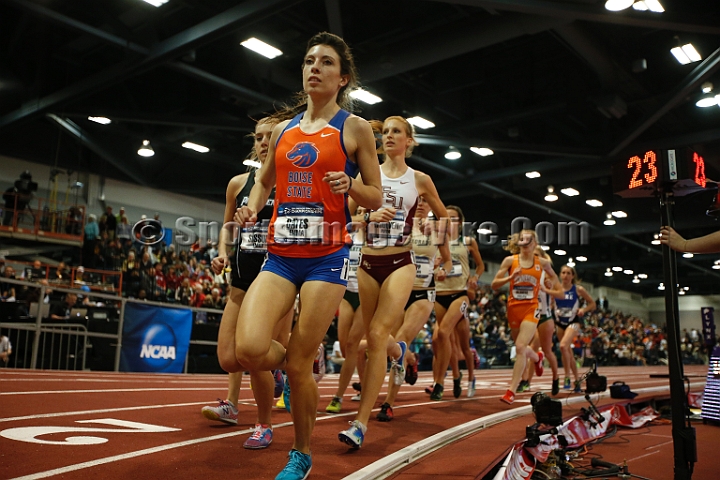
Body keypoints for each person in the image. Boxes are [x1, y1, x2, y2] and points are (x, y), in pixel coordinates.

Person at [224, 32, 383, 480]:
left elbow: (374, 194)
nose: (315, 67)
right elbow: (263, 183)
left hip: (328, 258)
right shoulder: (281, 131)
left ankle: (301, 453)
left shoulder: (354, 128)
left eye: (326, 62)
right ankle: (300, 361)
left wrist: (350, 185)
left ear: (342, 77)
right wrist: (253, 205)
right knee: (249, 348)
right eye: (310, 61)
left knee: (296, 365)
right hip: (280, 255)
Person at [338, 115, 451, 449]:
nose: (388, 136)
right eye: (385, 132)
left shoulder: (420, 180)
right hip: (369, 262)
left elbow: (446, 217)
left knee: (374, 338)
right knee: (374, 336)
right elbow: (344, 216)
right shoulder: (367, 174)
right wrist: (367, 216)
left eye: (395, 132)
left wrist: (434, 227)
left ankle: (360, 423)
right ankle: (398, 349)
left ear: (408, 141)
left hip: (402, 262)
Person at [204, 117, 292, 450]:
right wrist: (222, 253)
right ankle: (292, 359)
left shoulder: (291, 181)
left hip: (276, 279)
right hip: (240, 280)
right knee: (229, 357)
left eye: (271, 136)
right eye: (259, 137)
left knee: (254, 354)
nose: (264, 142)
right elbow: (228, 226)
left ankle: (263, 423)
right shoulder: (238, 184)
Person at [375, 195, 449, 421]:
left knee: (400, 339)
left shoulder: (437, 230)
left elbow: (447, 259)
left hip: (423, 292)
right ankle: (411, 360)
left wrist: (442, 267)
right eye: (419, 201)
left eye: (426, 202)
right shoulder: (400, 225)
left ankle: (388, 402)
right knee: (390, 343)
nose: (422, 205)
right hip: (399, 291)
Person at [491, 230, 563, 404]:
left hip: (532, 308)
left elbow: (557, 286)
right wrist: (510, 277)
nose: (524, 243)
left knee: (520, 346)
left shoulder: (543, 263)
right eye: (522, 239)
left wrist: (548, 285)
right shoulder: (510, 261)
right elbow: (494, 284)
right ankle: (538, 358)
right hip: (514, 308)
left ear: (534, 244)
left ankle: (511, 391)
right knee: (521, 348)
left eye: (528, 240)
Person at [427, 205, 484, 400]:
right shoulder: (435, 242)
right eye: (446, 217)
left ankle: (467, 379)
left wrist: (475, 277)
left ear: (460, 222)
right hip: (440, 294)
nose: (449, 221)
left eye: (453, 218)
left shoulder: (468, 241)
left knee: (457, 341)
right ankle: (455, 377)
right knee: (442, 339)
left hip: (460, 294)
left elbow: (481, 265)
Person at [517, 247, 561, 395]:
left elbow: (559, 291)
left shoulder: (546, 274)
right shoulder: (524, 272)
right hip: (530, 315)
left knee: (547, 351)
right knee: (525, 348)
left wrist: (549, 288)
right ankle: (525, 381)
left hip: (544, 317)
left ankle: (556, 378)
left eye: (536, 255)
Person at [554, 264, 596, 392]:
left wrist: (583, 309)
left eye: (568, 273)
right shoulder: (555, 289)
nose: (565, 275)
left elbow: (592, 303)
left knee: (563, 346)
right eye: (563, 273)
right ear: (560, 275)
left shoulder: (578, 289)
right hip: (559, 322)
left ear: (572, 276)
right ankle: (577, 380)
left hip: (573, 321)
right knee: (566, 350)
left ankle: (567, 376)